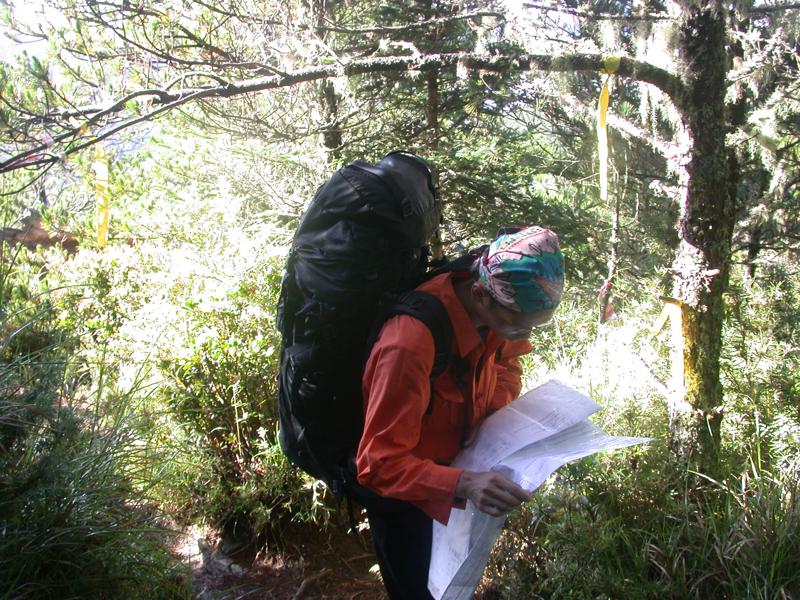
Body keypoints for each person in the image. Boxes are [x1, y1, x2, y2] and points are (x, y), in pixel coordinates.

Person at [355, 225, 566, 600]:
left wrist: (494, 419)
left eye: (532, 326)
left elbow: (507, 364)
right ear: (480, 294)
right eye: (518, 325)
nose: (524, 336)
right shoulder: (408, 345)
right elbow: (377, 464)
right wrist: (465, 484)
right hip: (406, 503)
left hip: (457, 480)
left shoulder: (498, 311)